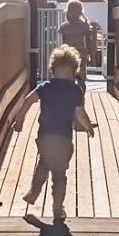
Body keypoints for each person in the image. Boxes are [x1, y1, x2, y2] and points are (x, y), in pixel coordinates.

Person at [11, 44, 96, 222]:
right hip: (64, 139)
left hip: (45, 137)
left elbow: (28, 101)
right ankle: (57, 208)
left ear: (52, 70)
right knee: (59, 174)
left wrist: (19, 121)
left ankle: (34, 192)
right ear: (74, 71)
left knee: (43, 163)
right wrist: (88, 127)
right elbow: (80, 114)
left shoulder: (46, 86)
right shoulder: (75, 90)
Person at [58, 0, 95, 88]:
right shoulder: (80, 25)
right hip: (74, 55)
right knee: (77, 78)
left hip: (74, 55)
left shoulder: (66, 26)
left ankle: (75, 97)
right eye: (72, 12)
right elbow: (88, 41)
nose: (74, 14)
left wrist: (91, 55)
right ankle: (78, 97)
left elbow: (63, 43)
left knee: (74, 78)